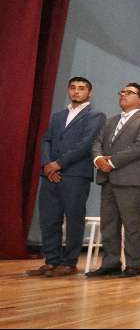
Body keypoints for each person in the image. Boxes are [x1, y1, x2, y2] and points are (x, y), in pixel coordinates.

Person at [26, 77, 106, 277]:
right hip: (50, 175)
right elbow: (46, 140)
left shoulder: (95, 116)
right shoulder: (58, 116)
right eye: (72, 88)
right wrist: (47, 165)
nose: (76, 92)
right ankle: (51, 260)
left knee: (73, 219)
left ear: (90, 93)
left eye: (81, 88)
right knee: (49, 219)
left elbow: (86, 144)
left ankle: (69, 262)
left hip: (75, 175)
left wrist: (58, 164)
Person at [87, 83, 140, 278]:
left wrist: (113, 162)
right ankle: (110, 262)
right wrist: (98, 159)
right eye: (122, 92)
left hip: (130, 178)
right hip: (107, 178)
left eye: (129, 92)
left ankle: (133, 264)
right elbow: (97, 143)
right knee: (108, 224)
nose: (123, 95)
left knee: (131, 224)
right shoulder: (111, 121)